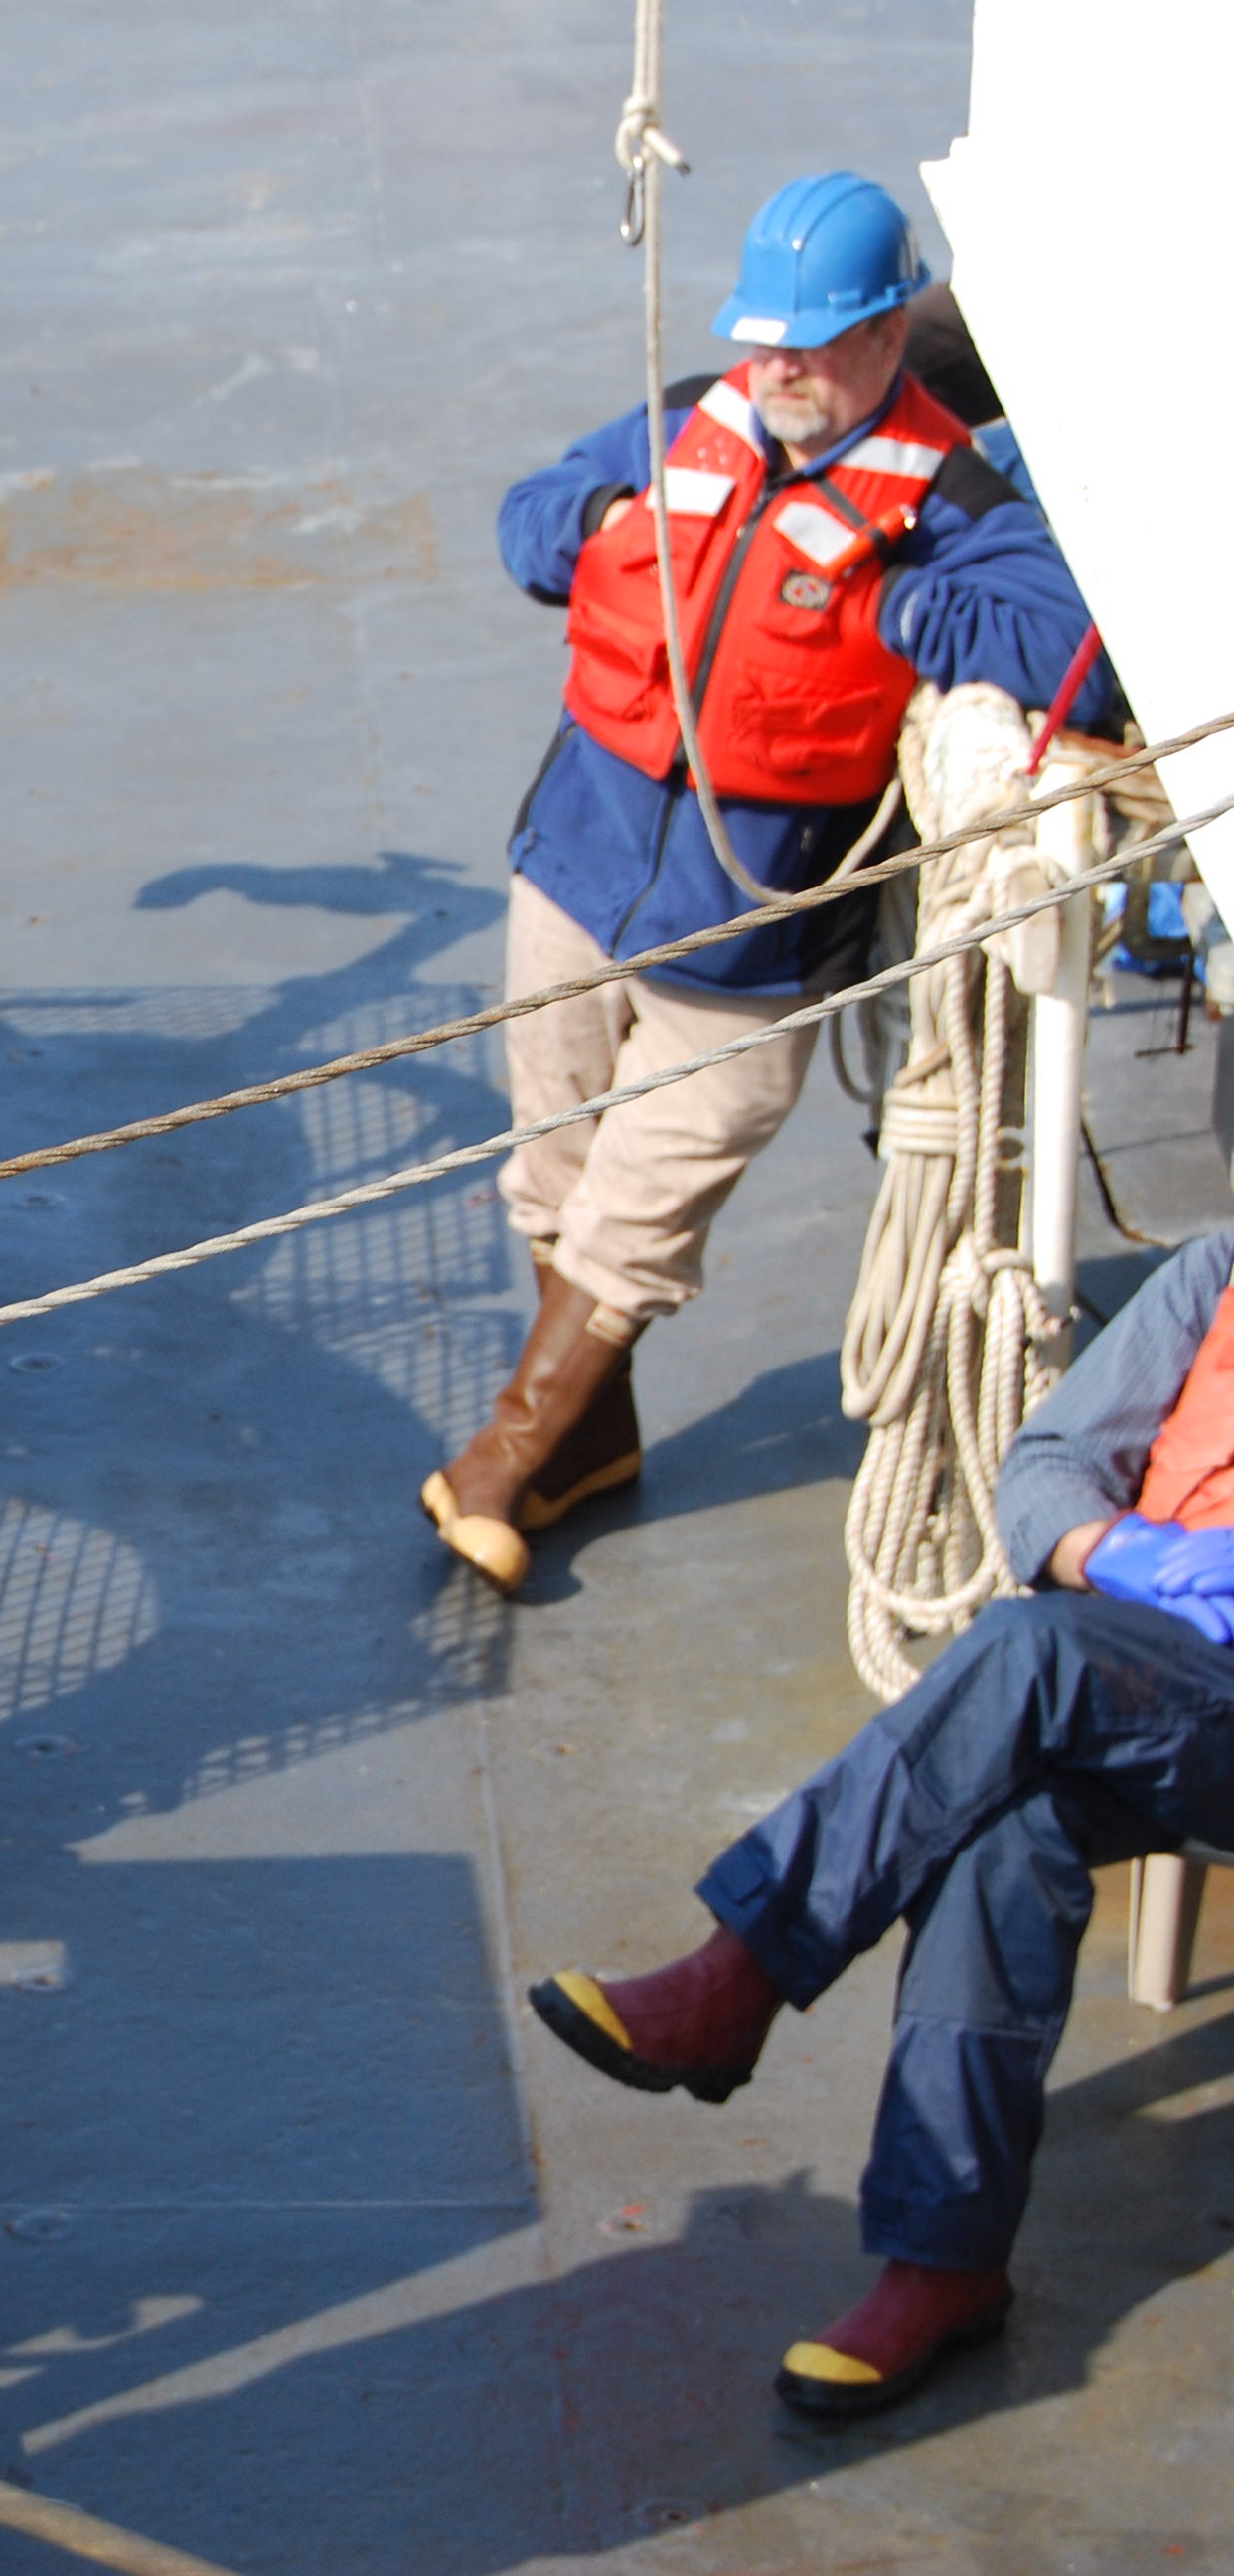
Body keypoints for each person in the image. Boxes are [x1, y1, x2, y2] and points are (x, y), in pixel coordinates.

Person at [427, 171, 1111, 1589]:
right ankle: (591, 1445)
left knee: (640, 1209)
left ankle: (497, 1462)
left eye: (809, 344)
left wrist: (900, 606)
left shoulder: (943, 497)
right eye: (762, 341)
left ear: (885, 336)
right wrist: (598, 525)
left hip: (751, 940)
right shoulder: (690, 419)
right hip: (576, 869)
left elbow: (1069, 652)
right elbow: (525, 515)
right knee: (554, 1176)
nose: (777, 370)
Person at [527, 1221, 1234, 2418]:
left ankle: (738, 1975)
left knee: (1024, 1656)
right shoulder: (1214, 1272)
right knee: (1004, 1827)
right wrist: (1123, 1552)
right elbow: (1045, 1467)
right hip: (1146, 1670)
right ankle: (942, 2261)